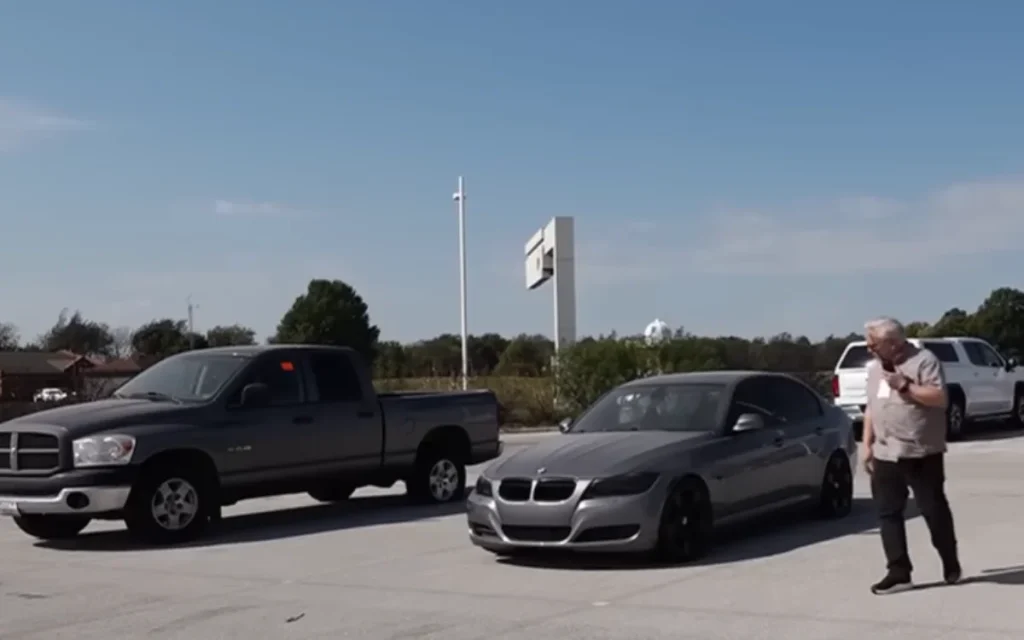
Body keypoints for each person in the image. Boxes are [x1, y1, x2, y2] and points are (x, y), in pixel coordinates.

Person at [861, 317, 961, 595]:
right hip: (885, 451)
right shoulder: (874, 369)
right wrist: (866, 443)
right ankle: (899, 572)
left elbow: (939, 398)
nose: (869, 349)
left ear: (893, 344)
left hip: (919, 450)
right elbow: (872, 406)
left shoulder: (925, 361)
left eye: (874, 344)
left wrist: (904, 385)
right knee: (888, 512)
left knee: (932, 509)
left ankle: (950, 561)